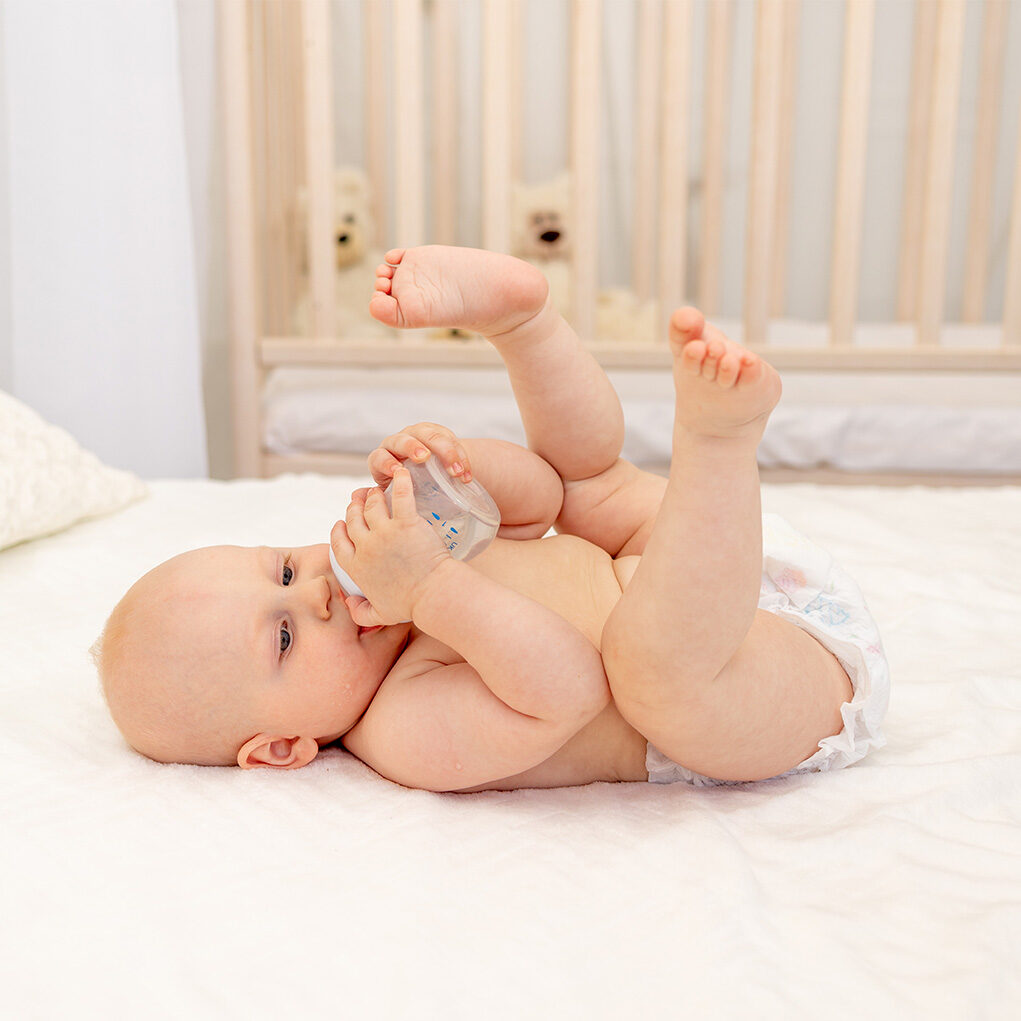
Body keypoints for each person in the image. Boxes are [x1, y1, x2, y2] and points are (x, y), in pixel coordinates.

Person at [95, 245, 888, 791]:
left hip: (721, 576)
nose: (316, 594)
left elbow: (537, 500)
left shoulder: (402, 565)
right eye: (284, 637)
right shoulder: (400, 730)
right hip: (757, 695)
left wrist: (453, 469)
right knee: (652, 677)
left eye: (284, 568)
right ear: (280, 747)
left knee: (587, 489)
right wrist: (432, 585)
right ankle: (716, 444)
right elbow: (567, 688)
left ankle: (523, 324)